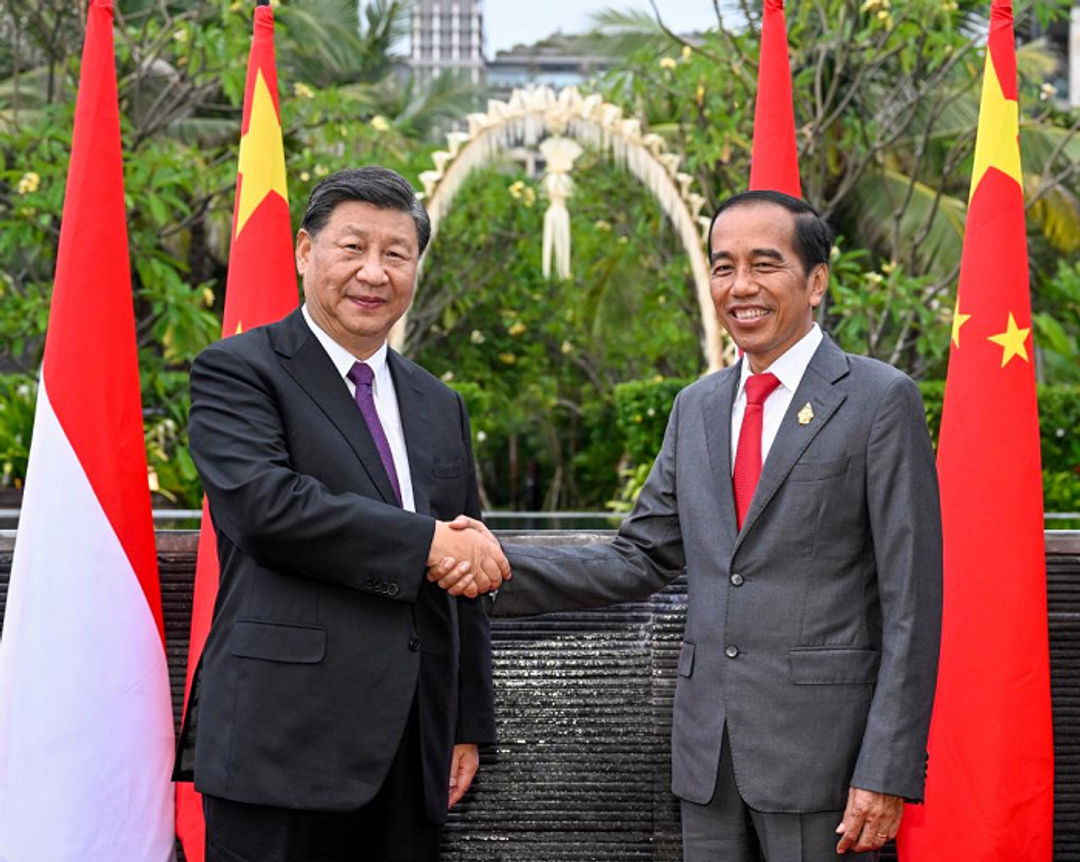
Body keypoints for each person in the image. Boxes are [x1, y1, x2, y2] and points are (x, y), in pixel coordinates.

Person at [430, 190, 943, 862]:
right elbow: (637, 556)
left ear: (816, 282)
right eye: (723, 266)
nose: (742, 287)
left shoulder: (879, 399)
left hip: (827, 758)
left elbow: (913, 601)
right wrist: (493, 562)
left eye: (766, 264)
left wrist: (885, 768)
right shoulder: (696, 407)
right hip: (709, 755)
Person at [178, 166, 510, 862]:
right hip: (280, 742)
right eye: (352, 248)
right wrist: (424, 542)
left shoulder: (437, 402)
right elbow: (267, 510)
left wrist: (465, 721)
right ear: (306, 252)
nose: (373, 272)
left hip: (410, 748)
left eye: (397, 254)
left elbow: (466, 562)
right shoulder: (239, 370)